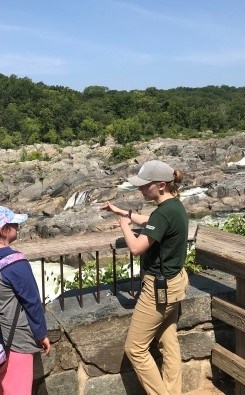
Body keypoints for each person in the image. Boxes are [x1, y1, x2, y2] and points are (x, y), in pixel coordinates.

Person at [101, 160, 189, 395]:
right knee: (168, 342)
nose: (140, 189)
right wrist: (123, 212)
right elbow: (151, 223)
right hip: (176, 281)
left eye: (144, 185)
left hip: (160, 288)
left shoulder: (163, 213)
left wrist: (124, 226)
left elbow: (137, 247)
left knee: (135, 349)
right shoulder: (175, 207)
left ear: (161, 185)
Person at [0, 205, 51, 395]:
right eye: (14, 224)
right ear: (3, 230)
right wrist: (41, 334)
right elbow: (32, 302)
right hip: (16, 341)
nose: (17, 227)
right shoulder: (15, 262)